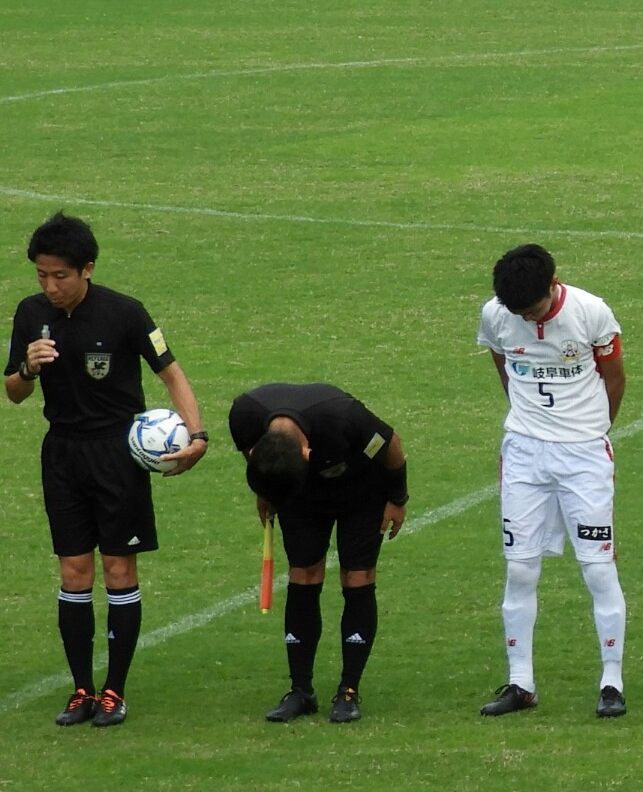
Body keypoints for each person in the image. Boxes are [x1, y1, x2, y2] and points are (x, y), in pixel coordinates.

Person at [7, 213, 209, 729]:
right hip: (63, 455)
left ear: (87, 270)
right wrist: (28, 367)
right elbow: (13, 391)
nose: (49, 286)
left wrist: (198, 436)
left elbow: (173, 376)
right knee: (74, 571)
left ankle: (114, 691)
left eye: (60, 276)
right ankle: (81, 690)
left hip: (117, 457)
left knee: (120, 570)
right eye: (42, 275)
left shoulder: (125, 313)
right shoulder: (30, 315)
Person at [475, 243, 630, 718]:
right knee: (520, 568)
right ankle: (520, 681)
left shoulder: (591, 312)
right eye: (514, 310)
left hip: (583, 456)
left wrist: (592, 429)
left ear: (552, 286)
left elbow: (615, 378)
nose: (523, 317)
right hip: (523, 455)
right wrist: (529, 419)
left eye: (532, 308)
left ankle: (612, 681)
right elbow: (502, 364)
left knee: (598, 568)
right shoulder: (497, 315)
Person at [230, 382, 408, 723]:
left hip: (361, 492)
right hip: (299, 493)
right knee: (303, 574)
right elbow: (253, 456)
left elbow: (392, 445)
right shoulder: (245, 415)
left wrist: (397, 499)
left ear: (308, 452)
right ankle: (300, 691)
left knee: (357, 578)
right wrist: (268, 489)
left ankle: (348, 690)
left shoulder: (343, 417)